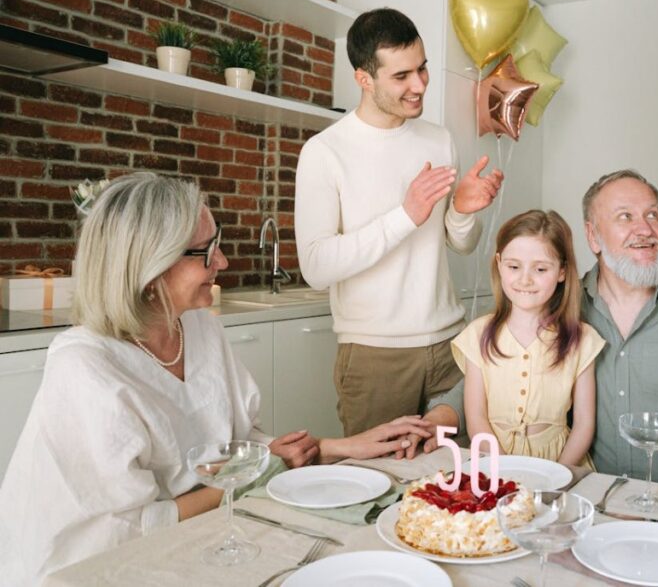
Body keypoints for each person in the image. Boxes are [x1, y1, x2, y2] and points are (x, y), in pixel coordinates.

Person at [0, 173, 435, 585]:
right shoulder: (85, 367)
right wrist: (260, 473)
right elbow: (130, 526)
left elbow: (237, 445)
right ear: (150, 269)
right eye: (205, 251)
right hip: (87, 567)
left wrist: (345, 446)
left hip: (196, 533)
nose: (222, 261)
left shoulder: (199, 327)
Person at [413, 170, 658, 544]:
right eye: (626, 216)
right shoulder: (554, 305)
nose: (646, 229)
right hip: (588, 497)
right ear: (593, 237)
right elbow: (494, 372)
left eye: (653, 215)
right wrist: (440, 416)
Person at [295, 7, 503, 437]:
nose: (419, 85)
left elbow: (458, 244)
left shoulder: (438, 138)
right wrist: (405, 216)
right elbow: (315, 267)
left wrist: (462, 212)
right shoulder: (324, 151)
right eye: (402, 76)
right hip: (374, 358)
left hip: (450, 346)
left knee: (455, 484)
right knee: (379, 488)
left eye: (423, 69)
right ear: (364, 79)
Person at [454, 209, 604, 467]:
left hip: (560, 463)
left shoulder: (582, 340)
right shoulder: (477, 335)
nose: (525, 279)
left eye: (541, 269)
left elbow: (583, 424)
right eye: (513, 266)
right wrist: (503, 471)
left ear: (561, 272)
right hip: (493, 461)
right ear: (499, 264)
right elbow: (476, 417)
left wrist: (559, 475)